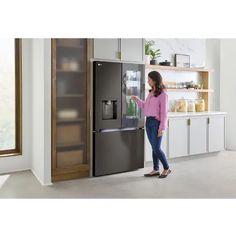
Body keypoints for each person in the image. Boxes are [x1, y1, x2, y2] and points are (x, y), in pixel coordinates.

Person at [131, 71, 171, 178]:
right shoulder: (151, 92)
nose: (148, 81)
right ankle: (155, 169)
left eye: (149, 79)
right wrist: (137, 100)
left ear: (155, 80)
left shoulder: (163, 94)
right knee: (154, 147)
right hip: (148, 122)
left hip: (156, 123)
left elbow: (164, 113)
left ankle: (166, 168)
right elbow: (145, 106)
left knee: (156, 148)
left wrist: (162, 127)